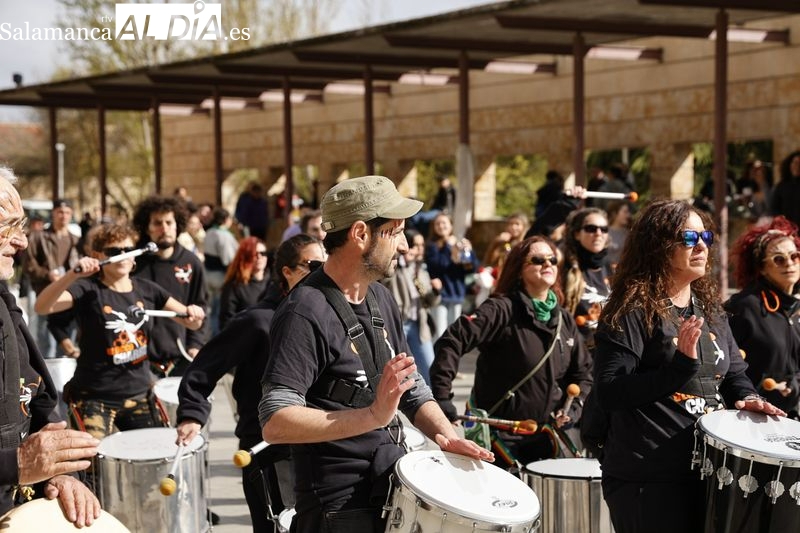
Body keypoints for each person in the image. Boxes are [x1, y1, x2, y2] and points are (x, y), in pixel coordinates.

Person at [258, 175, 493, 533]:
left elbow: (411, 386)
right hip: (336, 509)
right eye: (394, 232)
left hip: (388, 487)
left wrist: (446, 434)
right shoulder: (303, 311)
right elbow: (275, 422)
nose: (402, 245)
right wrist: (372, 415)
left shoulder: (380, 296)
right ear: (360, 234)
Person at [594, 199, 785, 533]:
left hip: (707, 472)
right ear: (658, 245)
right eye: (688, 238)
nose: (701, 247)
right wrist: (678, 368)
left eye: (705, 238)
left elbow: (734, 375)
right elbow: (610, 391)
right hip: (648, 477)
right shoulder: (631, 311)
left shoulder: (710, 310)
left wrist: (748, 397)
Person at [176, 234, 326, 532]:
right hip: (265, 447)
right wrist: (192, 413)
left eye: (326, 264)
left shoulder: (323, 314)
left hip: (314, 443)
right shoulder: (257, 321)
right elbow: (205, 365)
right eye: (313, 265)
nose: (323, 271)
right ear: (288, 271)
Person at [431, 236, 592, 468]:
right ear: (519, 269)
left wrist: (572, 410)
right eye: (538, 260)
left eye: (553, 260)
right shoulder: (501, 309)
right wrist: (442, 397)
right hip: (498, 443)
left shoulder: (564, 319)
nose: (548, 265)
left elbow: (583, 374)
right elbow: (453, 340)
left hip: (544, 439)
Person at [33, 223, 205, 439]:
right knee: (93, 464)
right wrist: (72, 274)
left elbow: (192, 323)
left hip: (140, 393)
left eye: (128, 250)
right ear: (98, 255)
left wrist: (194, 314)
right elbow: (41, 307)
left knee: (156, 458)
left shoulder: (147, 289)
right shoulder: (87, 289)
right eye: (114, 251)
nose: (123, 255)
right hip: (94, 397)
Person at [0, 166, 100, 526]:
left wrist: (61, 472)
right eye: (7, 227)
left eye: (21, 226)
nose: (22, 241)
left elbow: (39, 397)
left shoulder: (3, 300)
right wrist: (17, 465)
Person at [725, 216, 800, 419]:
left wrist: (793, 385)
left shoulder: (795, 308)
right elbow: (723, 363)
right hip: (754, 421)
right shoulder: (744, 306)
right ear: (762, 268)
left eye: (795, 256)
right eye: (779, 259)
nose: (789, 263)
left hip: (791, 419)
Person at [132, 196, 209, 377]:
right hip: (138, 360)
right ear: (147, 228)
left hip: (180, 359)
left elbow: (201, 306)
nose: (164, 229)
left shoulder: (192, 263)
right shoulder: (133, 263)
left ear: (177, 225)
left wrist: (195, 345)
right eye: (157, 223)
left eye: (169, 222)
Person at [381, 228, 441, 385]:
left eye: (422, 245)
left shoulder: (421, 268)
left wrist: (435, 291)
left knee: (429, 367)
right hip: (397, 324)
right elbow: (385, 282)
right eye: (415, 245)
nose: (419, 249)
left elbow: (430, 301)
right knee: (398, 372)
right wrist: (401, 260)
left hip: (418, 325)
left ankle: (434, 404)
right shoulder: (394, 265)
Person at [23, 198, 81, 358]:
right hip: (45, 292)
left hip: (68, 296)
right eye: (60, 212)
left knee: (67, 340)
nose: (63, 216)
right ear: (53, 214)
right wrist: (47, 274)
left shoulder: (76, 241)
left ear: (72, 215)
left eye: (67, 212)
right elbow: (29, 266)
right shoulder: (38, 237)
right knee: (44, 340)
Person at [563, 207, 613, 351]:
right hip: (576, 353)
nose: (598, 233)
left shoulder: (615, 269)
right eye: (591, 228)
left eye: (604, 229)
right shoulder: (563, 268)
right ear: (577, 234)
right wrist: (566, 203)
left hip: (607, 354)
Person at [425, 212, 479, 340]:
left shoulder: (459, 244)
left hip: (456, 294)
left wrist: (468, 252)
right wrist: (449, 248)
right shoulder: (432, 246)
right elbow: (438, 265)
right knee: (440, 334)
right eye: (437, 223)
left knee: (453, 335)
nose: (441, 226)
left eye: (444, 223)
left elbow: (471, 269)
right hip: (439, 296)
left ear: (451, 225)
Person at [218, 237, 269, 330]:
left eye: (263, 253)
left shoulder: (273, 282)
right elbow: (226, 321)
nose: (260, 257)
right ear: (246, 257)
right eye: (255, 254)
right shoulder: (235, 286)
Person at [203, 207, 240, 335]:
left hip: (208, 274)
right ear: (225, 220)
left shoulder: (209, 232)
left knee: (210, 308)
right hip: (220, 275)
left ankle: (209, 333)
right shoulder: (224, 236)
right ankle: (215, 335)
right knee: (218, 309)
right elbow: (228, 259)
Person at [771, 150, 800, 227]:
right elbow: (774, 209)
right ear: (789, 164)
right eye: (795, 162)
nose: (797, 166)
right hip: (786, 230)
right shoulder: (781, 186)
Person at [605, 200, 632, 266]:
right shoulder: (603, 232)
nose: (628, 215)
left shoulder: (629, 233)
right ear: (614, 213)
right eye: (625, 212)